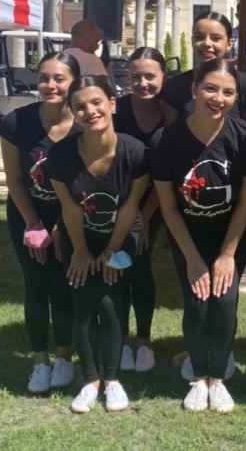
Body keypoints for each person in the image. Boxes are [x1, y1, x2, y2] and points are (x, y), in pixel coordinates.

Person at [150, 59, 246, 414]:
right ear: (194, 89)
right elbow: (169, 207)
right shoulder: (165, 139)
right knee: (197, 303)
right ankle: (199, 378)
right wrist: (193, 259)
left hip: (232, 234)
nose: (218, 98)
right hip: (188, 236)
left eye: (228, 92)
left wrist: (227, 255)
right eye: (210, 89)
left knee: (225, 301)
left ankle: (218, 378)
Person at [46, 75, 149, 414]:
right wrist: (79, 251)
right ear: (73, 114)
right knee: (83, 300)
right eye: (80, 107)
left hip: (122, 236)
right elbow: (70, 209)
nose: (90, 111)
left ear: (112, 103)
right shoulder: (60, 156)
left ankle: (114, 380)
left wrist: (110, 251)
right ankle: (90, 381)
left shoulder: (135, 152)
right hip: (80, 237)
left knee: (109, 300)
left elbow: (131, 208)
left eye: (96, 102)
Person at [0, 52, 80, 395]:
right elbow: (15, 179)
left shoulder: (85, 123)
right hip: (26, 214)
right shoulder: (17, 122)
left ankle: (64, 357)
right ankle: (39, 362)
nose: (50, 85)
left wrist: (62, 226)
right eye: (44, 78)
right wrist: (33, 223)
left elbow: (86, 183)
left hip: (71, 217)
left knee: (62, 285)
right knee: (36, 285)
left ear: (74, 82)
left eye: (59, 78)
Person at [114, 47, 167, 374]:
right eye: (136, 77)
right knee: (118, 266)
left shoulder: (171, 113)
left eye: (150, 76)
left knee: (140, 263)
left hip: (156, 200)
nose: (143, 82)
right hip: (118, 202)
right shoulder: (116, 110)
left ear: (163, 77)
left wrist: (144, 219)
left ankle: (144, 341)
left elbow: (166, 175)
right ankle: (119, 340)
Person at [160, 11, 246, 125]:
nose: (207, 43)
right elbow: (170, 137)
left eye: (216, 38)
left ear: (229, 44)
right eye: (199, 37)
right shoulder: (174, 86)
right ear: (192, 41)